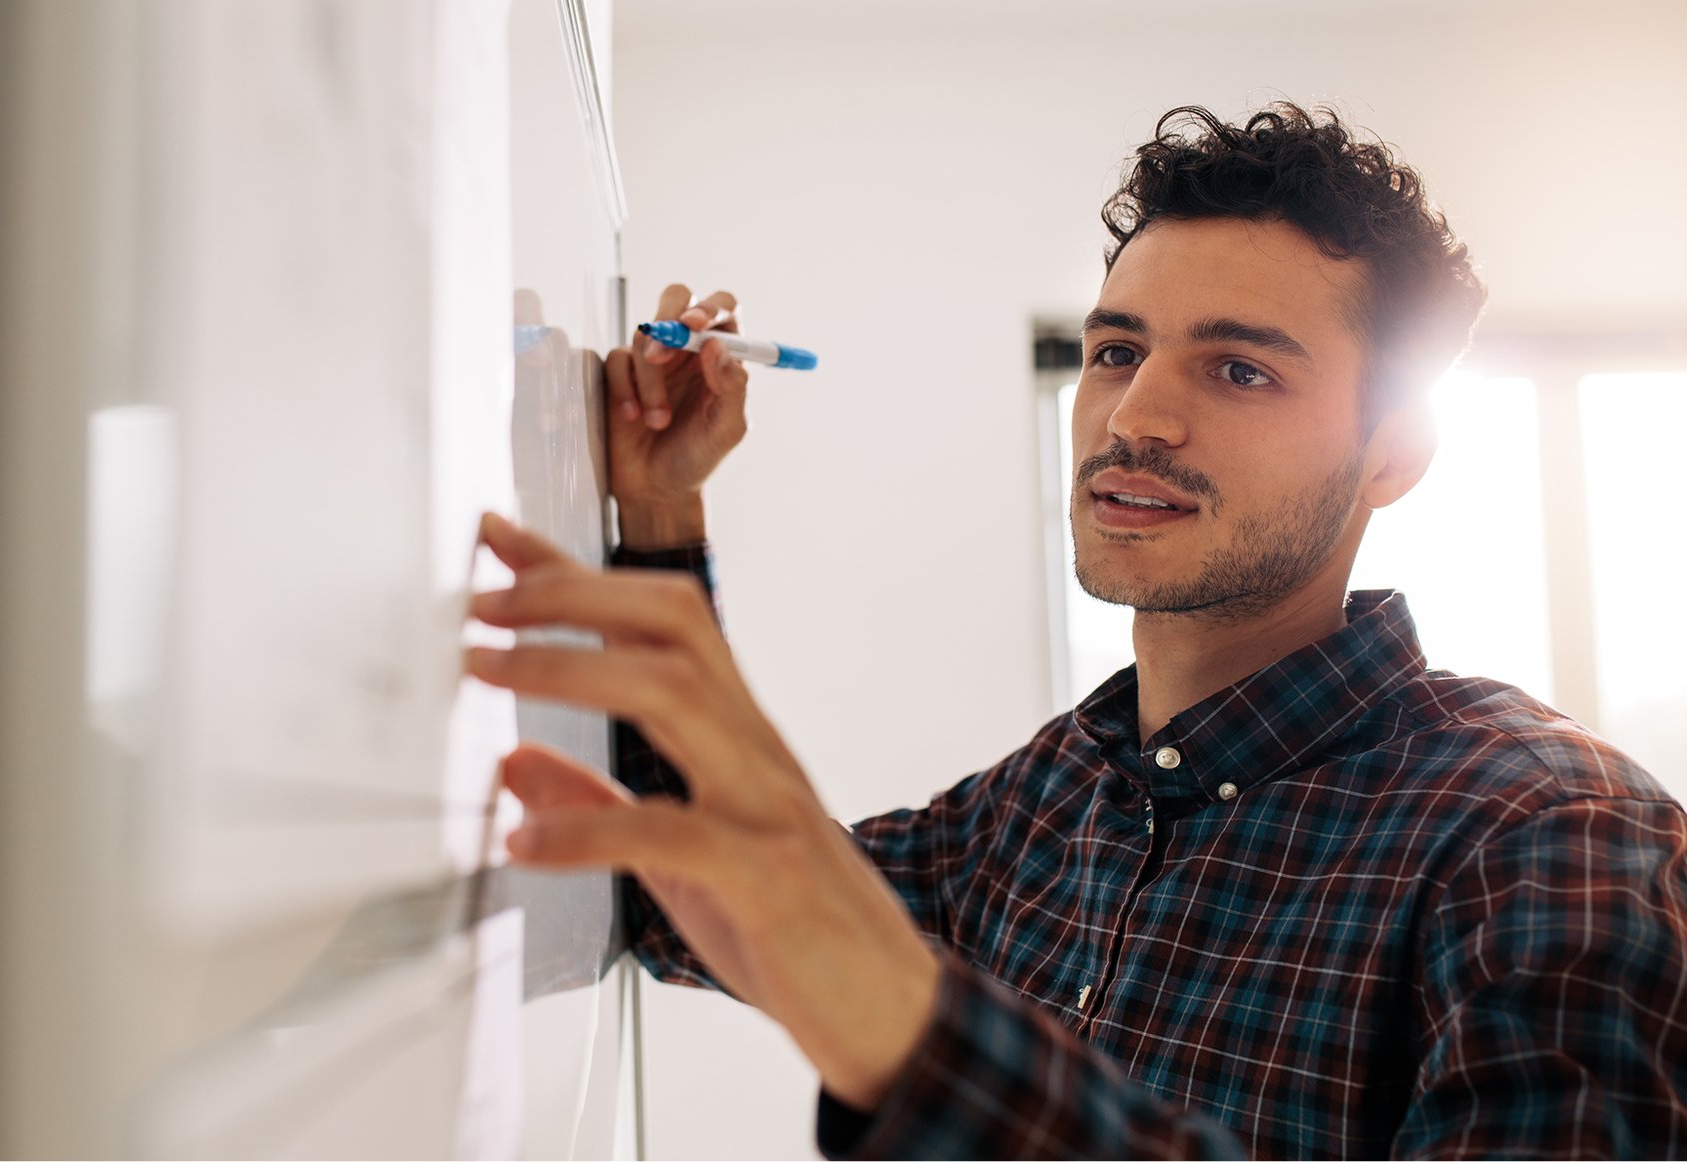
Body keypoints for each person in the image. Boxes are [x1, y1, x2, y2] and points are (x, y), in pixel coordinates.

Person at [464, 103, 1687, 1158]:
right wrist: (660, 501)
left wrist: (919, 1036)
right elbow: (670, 897)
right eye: (1115, 351)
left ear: (1392, 453)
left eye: (1239, 371)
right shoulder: (1040, 804)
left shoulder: (1551, 835)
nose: (1134, 418)